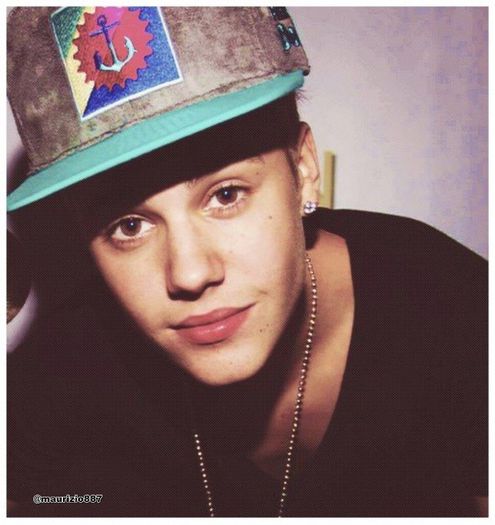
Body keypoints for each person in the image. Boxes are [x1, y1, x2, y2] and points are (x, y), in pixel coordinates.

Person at [7, 7, 487, 517]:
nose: (190, 274)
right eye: (129, 226)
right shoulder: (62, 370)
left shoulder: (454, 310)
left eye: (226, 194)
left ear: (304, 170)